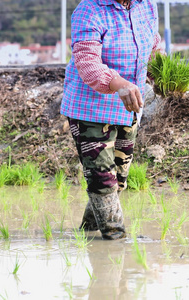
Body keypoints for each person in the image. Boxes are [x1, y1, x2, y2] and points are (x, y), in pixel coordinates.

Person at [61, 0, 163, 240]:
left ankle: (87, 235)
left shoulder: (146, 5)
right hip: (90, 111)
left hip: (128, 108)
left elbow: (153, 47)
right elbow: (88, 63)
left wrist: (164, 75)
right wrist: (120, 84)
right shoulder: (89, 10)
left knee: (117, 181)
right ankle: (116, 242)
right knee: (103, 183)